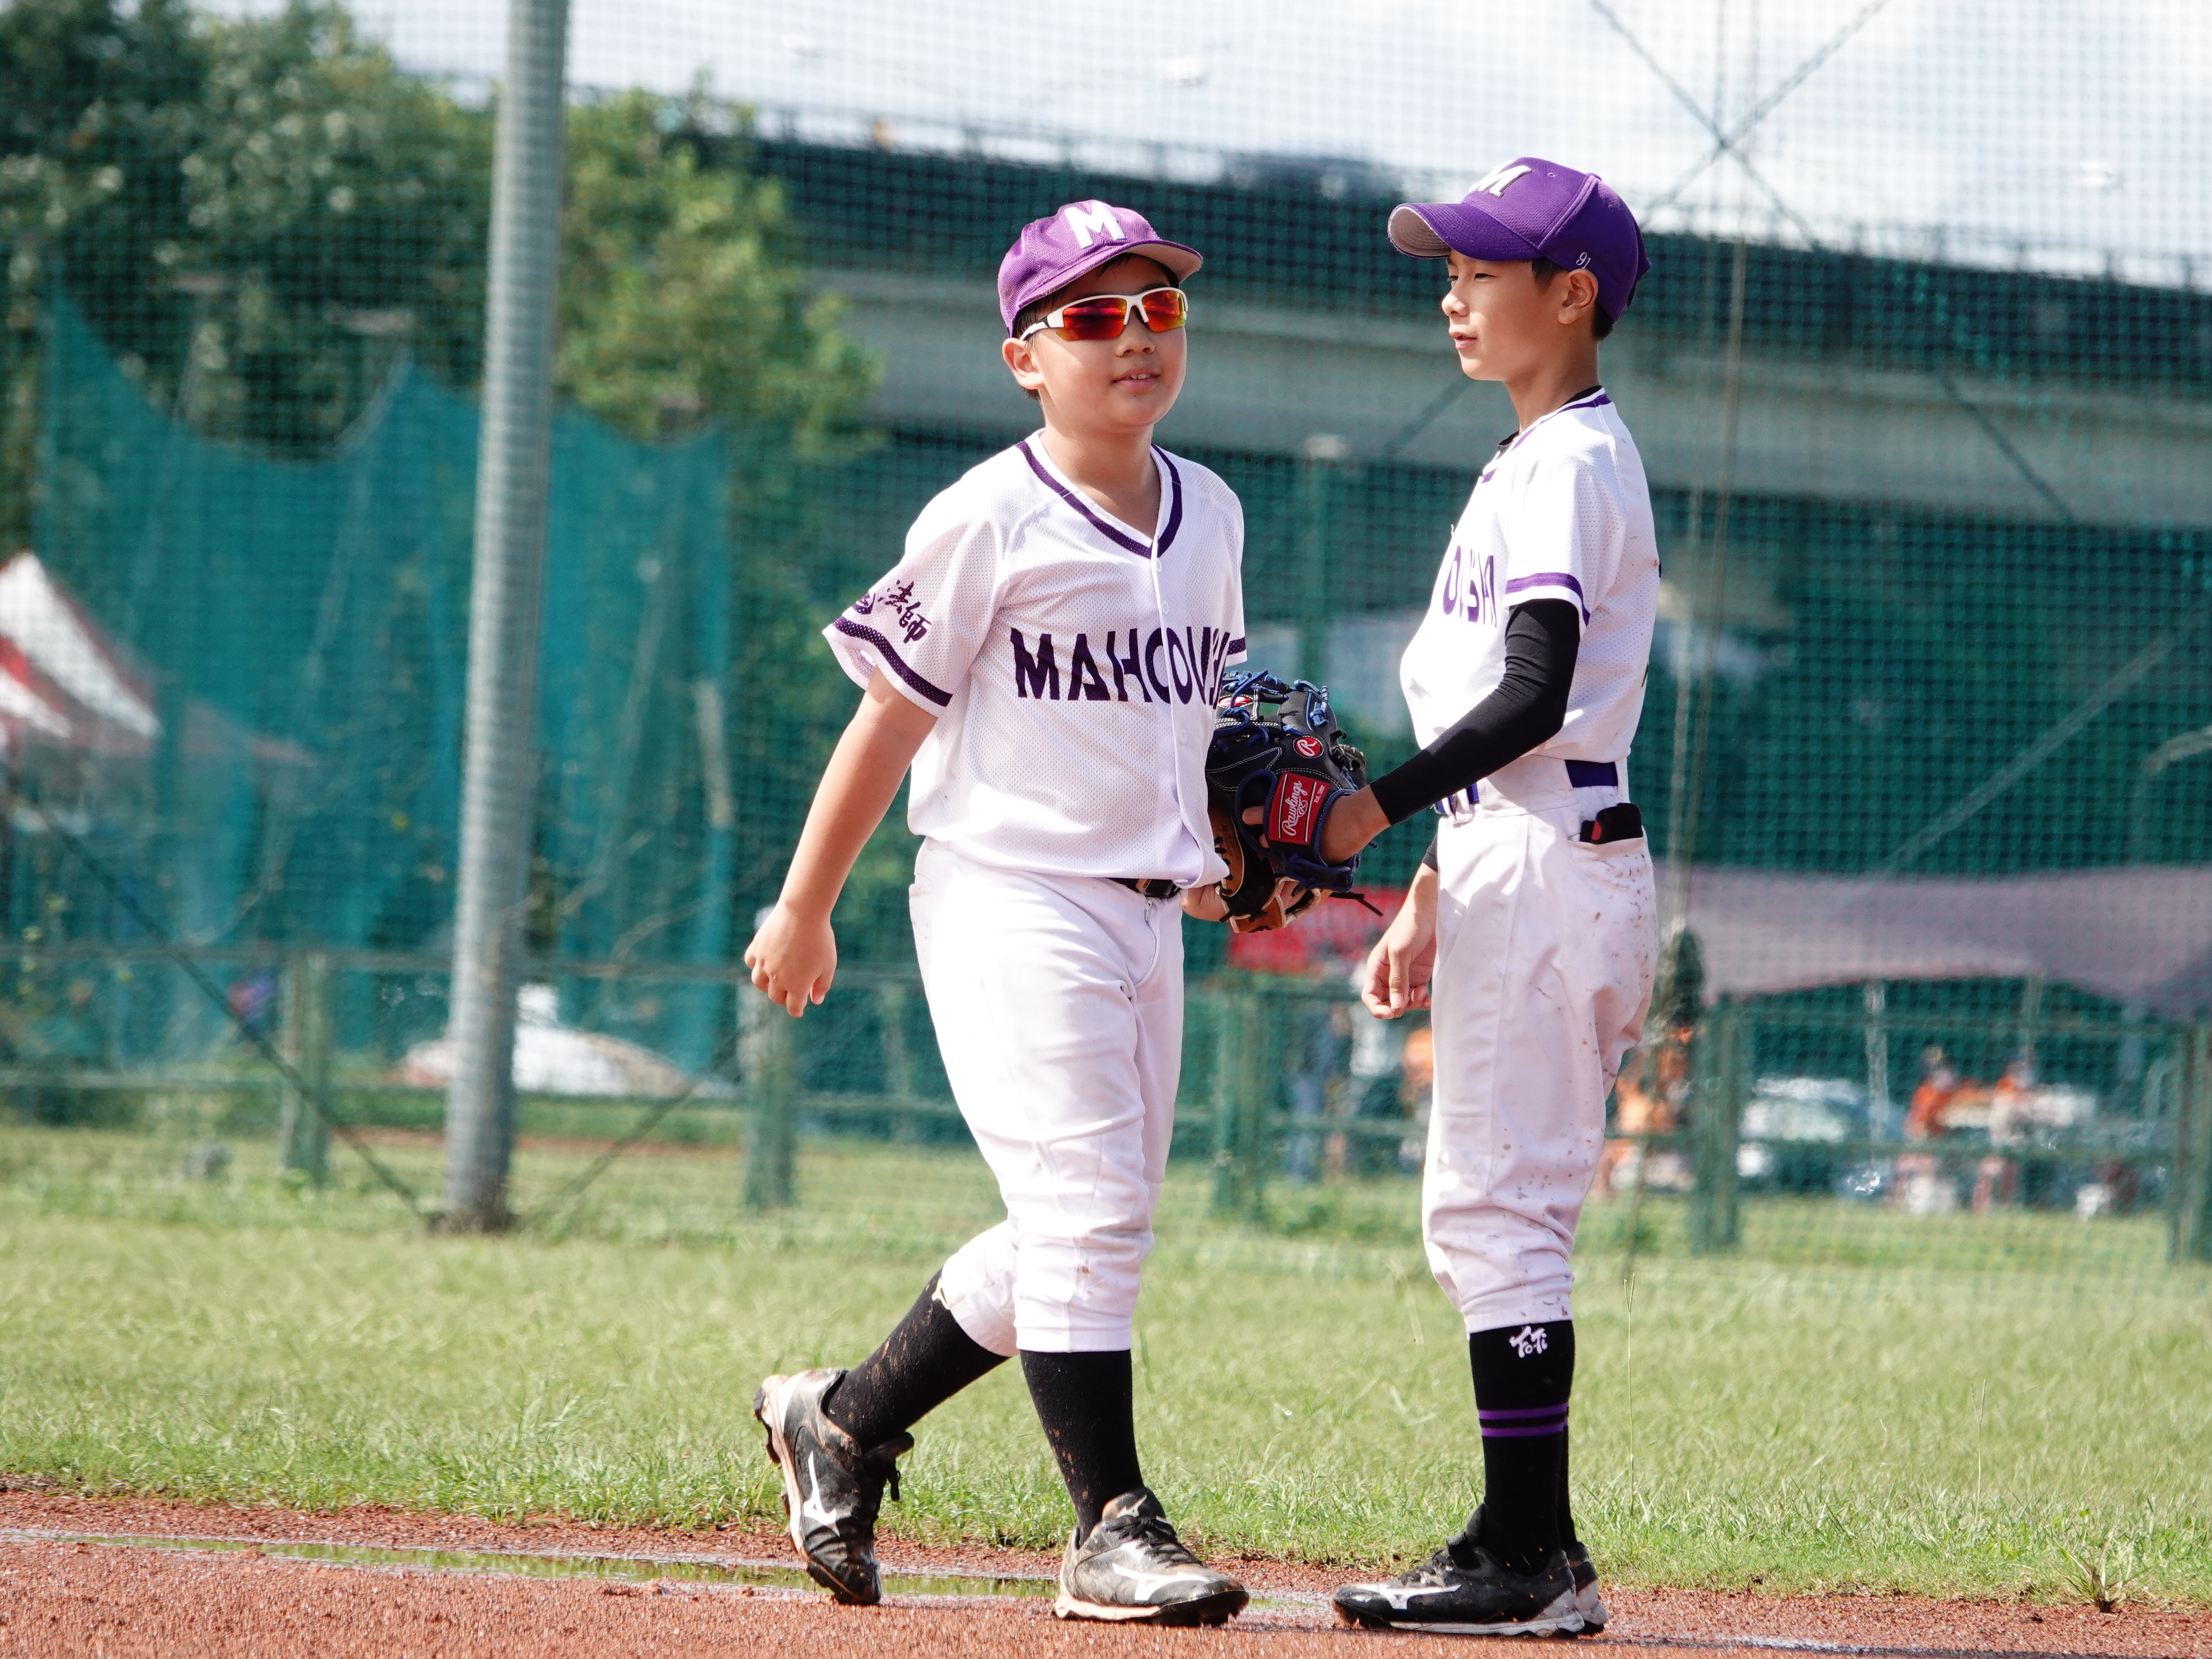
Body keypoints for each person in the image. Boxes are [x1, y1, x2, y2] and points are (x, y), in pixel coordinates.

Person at [742, 199, 1250, 1627]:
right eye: (1092, 318)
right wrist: (804, 903)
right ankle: (1110, 1531)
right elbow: (887, 721)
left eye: (1158, 308)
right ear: (1026, 359)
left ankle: (842, 1421)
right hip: (1008, 892)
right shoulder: (986, 516)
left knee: (1085, 1227)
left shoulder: (1212, 510)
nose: (1134, 338)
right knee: (1087, 1211)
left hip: (1144, 912)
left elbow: (1196, 716)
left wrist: (1214, 849)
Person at [1270, 158, 1659, 1635]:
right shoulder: (1545, 456)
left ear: (1573, 295)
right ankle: (1528, 1546)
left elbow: (1537, 692)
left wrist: (1372, 811)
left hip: (1548, 858)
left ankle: (1528, 1559)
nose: (1454, 294)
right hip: (1535, 850)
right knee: (1496, 1211)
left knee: (1500, 1215)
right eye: (1450, 271)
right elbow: (1534, 719)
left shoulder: (1566, 461)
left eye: (1482, 270)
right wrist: (1436, 877)